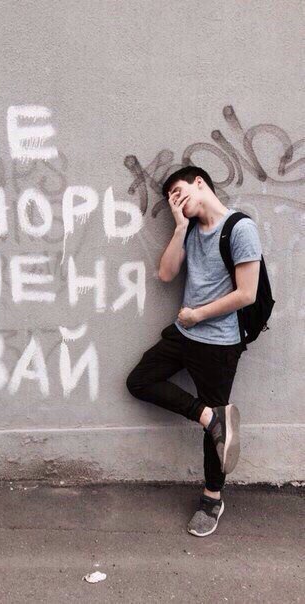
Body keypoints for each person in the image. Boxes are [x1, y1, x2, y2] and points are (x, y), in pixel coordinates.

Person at [126, 166, 262, 537]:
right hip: (184, 334)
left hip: (218, 343)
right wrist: (179, 227)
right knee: (140, 381)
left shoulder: (240, 228)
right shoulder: (188, 229)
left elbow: (247, 293)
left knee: (216, 434)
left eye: (179, 191)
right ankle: (208, 416)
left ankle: (212, 499)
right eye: (170, 198)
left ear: (200, 183)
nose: (176, 200)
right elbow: (166, 274)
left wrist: (198, 314)